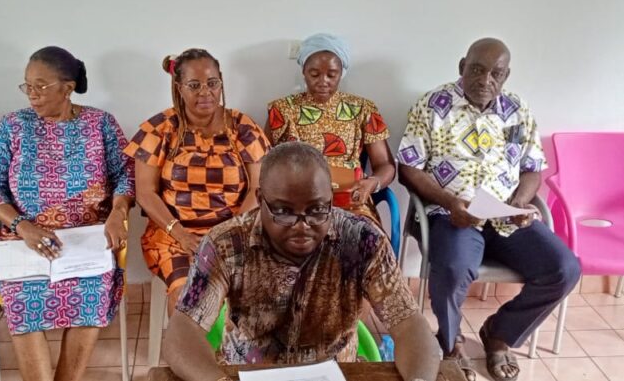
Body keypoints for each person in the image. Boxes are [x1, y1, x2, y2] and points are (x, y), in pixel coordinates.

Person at [164, 142, 440, 381]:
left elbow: (409, 323)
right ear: (260, 200)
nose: (302, 225)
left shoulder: (363, 240)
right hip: (247, 373)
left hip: (335, 372)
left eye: (317, 209)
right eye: (284, 211)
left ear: (331, 199)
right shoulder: (226, 243)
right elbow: (183, 330)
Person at [396, 38, 582, 381]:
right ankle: (450, 344)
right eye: (477, 70)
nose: (485, 80)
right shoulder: (432, 105)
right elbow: (408, 168)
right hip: (454, 215)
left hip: (507, 216)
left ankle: (499, 334)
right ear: (462, 67)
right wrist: (449, 202)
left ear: (506, 75)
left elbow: (532, 169)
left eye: (496, 73)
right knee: (452, 269)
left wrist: (520, 202)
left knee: (564, 269)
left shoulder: (517, 109)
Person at [0, 46, 135, 381]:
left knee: (91, 293)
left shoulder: (101, 123)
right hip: (24, 239)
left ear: (67, 87)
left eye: (40, 86)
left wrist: (117, 211)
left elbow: (126, 173)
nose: (31, 94)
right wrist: (23, 226)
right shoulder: (12, 126)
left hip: (86, 238)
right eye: (27, 85)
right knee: (24, 296)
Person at [124, 48, 270, 315]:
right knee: (188, 294)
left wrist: (229, 233)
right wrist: (180, 234)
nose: (205, 92)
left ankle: (231, 344)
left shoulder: (242, 127)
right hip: (174, 236)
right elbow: (145, 193)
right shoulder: (160, 129)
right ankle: (188, 344)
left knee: (247, 291)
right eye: (194, 85)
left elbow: (257, 189)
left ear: (221, 82)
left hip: (235, 232)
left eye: (212, 83)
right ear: (179, 87)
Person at [266, 33, 394, 226]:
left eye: (331, 75)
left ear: (341, 73)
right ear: (304, 71)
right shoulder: (282, 109)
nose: (323, 81)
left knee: (360, 236)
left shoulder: (362, 109)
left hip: (350, 199)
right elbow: (263, 162)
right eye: (314, 74)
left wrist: (373, 183)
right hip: (295, 200)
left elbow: (385, 164)